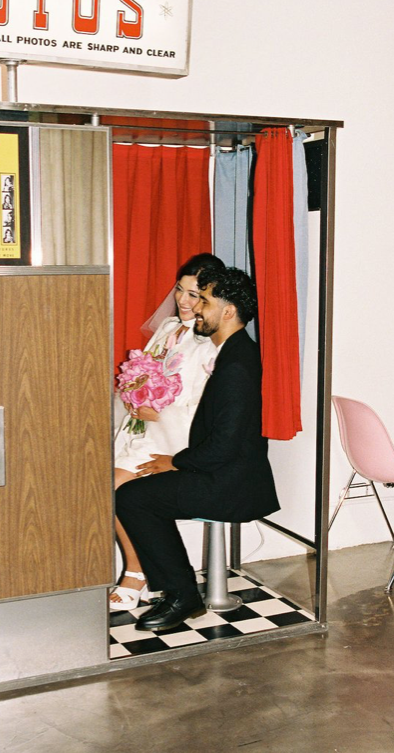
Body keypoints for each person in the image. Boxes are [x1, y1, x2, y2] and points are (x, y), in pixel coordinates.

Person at [116, 265, 280, 631]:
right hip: (218, 471)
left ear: (228, 311)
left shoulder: (237, 362)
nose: (196, 308)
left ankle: (182, 595)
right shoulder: (231, 352)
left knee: (132, 498)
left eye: (204, 301)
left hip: (230, 483)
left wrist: (175, 462)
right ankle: (179, 592)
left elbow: (226, 443)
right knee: (131, 495)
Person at [110, 253, 225, 611]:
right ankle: (140, 571)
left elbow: (202, 404)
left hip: (178, 439)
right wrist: (134, 395)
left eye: (195, 295)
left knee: (121, 489)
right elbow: (143, 374)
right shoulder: (167, 328)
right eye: (179, 290)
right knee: (108, 488)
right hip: (145, 432)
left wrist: (158, 410)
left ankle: (137, 574)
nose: (184, 301)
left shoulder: (211, 343)